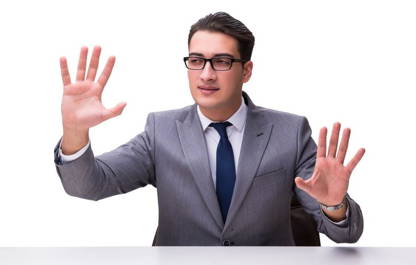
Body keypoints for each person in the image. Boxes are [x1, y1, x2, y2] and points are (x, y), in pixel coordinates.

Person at [54, 12, 365, 246]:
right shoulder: (161, 130)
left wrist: (333, 204)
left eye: (222, 62)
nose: (206, 74)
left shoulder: (290, 132)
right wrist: (74, 130)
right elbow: (86, 186)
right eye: (196, 60)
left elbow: (345, 233)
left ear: (246, 71)